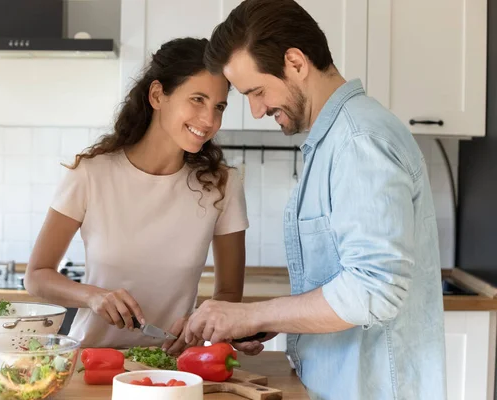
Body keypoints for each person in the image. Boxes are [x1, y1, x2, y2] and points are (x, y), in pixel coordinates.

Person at [184, 1, 447, 399]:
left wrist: (253, 313)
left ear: (295, 62)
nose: (257, 111)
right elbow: (343, 282)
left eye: (257, 91)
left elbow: (372, 288)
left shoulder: (359, 142)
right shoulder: (335, 141)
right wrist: (276, 317)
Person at [24, 37, 249, 356]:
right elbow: (36, 277)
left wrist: (200, 323)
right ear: (158, 95)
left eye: (219, 107)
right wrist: (93, 296)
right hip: (93, 360)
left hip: (173, 366)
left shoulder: (223, 185)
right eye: (197, 99)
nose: (209, 120)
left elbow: (228, 292)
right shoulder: (91, 174)